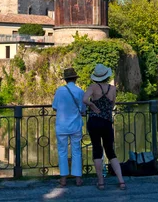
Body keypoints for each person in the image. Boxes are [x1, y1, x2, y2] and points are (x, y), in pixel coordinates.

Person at [83, 63, 126, 191]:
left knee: (97, 150)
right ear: (107, 76)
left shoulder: (93, 87)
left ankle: (101, 182)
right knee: (110, 151)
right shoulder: (112, 89)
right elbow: (112, 104)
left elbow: (85, 99)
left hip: (94, 121)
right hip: (107, 122)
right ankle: (121, 181)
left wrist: (93, 106)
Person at [52, 67, 85, 187]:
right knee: (76, 151)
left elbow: (54, 107)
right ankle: (78, 179)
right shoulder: (80, 91)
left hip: (61, 126)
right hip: (75, 125)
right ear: (75, 79)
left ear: (65, 80)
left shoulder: (59, 91)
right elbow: (83, 109)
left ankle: (63, 180)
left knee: (62, 152)